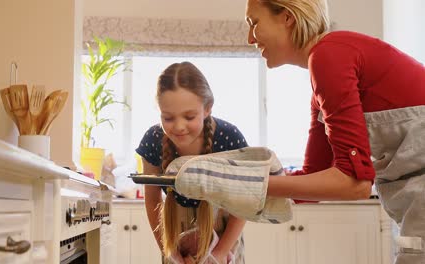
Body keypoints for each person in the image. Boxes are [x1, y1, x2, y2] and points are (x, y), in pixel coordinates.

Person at [174, 1, 425, 263]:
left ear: (287, 17)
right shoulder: (322, 79)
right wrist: (219, 217)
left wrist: (240, 183)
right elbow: (312, 179)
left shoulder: (329, 55)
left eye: (254, 23)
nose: (250, 38)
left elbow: (354, 184)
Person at [135, 61, 248, 263]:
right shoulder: (152, 140)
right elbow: (152, 200)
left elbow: (243, 203)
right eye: (168, 117)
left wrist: (219, 253)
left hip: (224, 234)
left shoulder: (229, 138)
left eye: (189, 116)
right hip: (173, 231)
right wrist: (168, 251)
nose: (179, 126)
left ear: (207, 109)